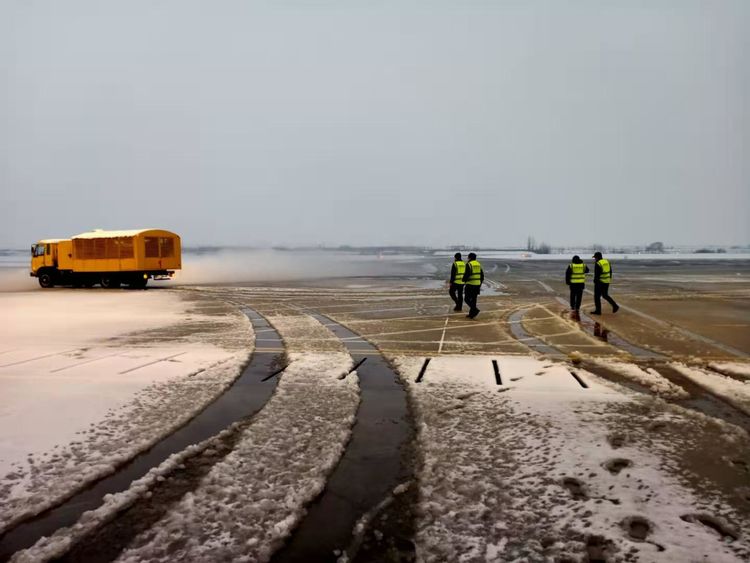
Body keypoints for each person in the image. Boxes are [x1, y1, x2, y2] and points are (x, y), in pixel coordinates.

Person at [462, 252, 484, 318]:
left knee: (466, 299)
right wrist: (480, 283)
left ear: (470, 257)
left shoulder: (469, 264)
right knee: (474, 299)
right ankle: (472, 314)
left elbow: (467, 274)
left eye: (468, 257)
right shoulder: (478, 264)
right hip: (477, 284)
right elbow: (482, 275)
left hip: (470, 284)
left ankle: (475, 309)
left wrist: (463, 280)